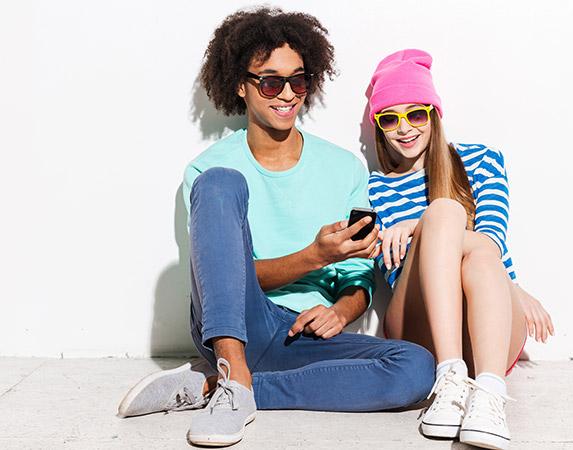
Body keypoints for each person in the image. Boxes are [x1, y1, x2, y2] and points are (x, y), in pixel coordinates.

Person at [116, 10, 434, 447]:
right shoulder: (207, 171)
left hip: (304, 337)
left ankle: (220, 388)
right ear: (240, 85)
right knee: (222, 183)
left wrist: (341, 311)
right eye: (270, 82)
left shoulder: (344, 168)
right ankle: (233, 370)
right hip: (236, 326)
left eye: (298, 81)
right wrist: (315, 256)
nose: (287, 94)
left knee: (417, 368)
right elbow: (222, 279)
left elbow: (359, 276)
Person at [366, 49, 555, 449]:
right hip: (420, 332)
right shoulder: (376, 187)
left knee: (468, 240)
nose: (404, 128)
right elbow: (392, 266)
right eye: (390, 118)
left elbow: (491, 240)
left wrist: (418, 226)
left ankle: (488, 394)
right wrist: (432, 223)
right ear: (379, 127)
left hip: (491, 332)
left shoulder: (482, 160)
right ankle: (450, 377)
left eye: (416, 114)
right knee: (446, 212)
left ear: (433, 114)